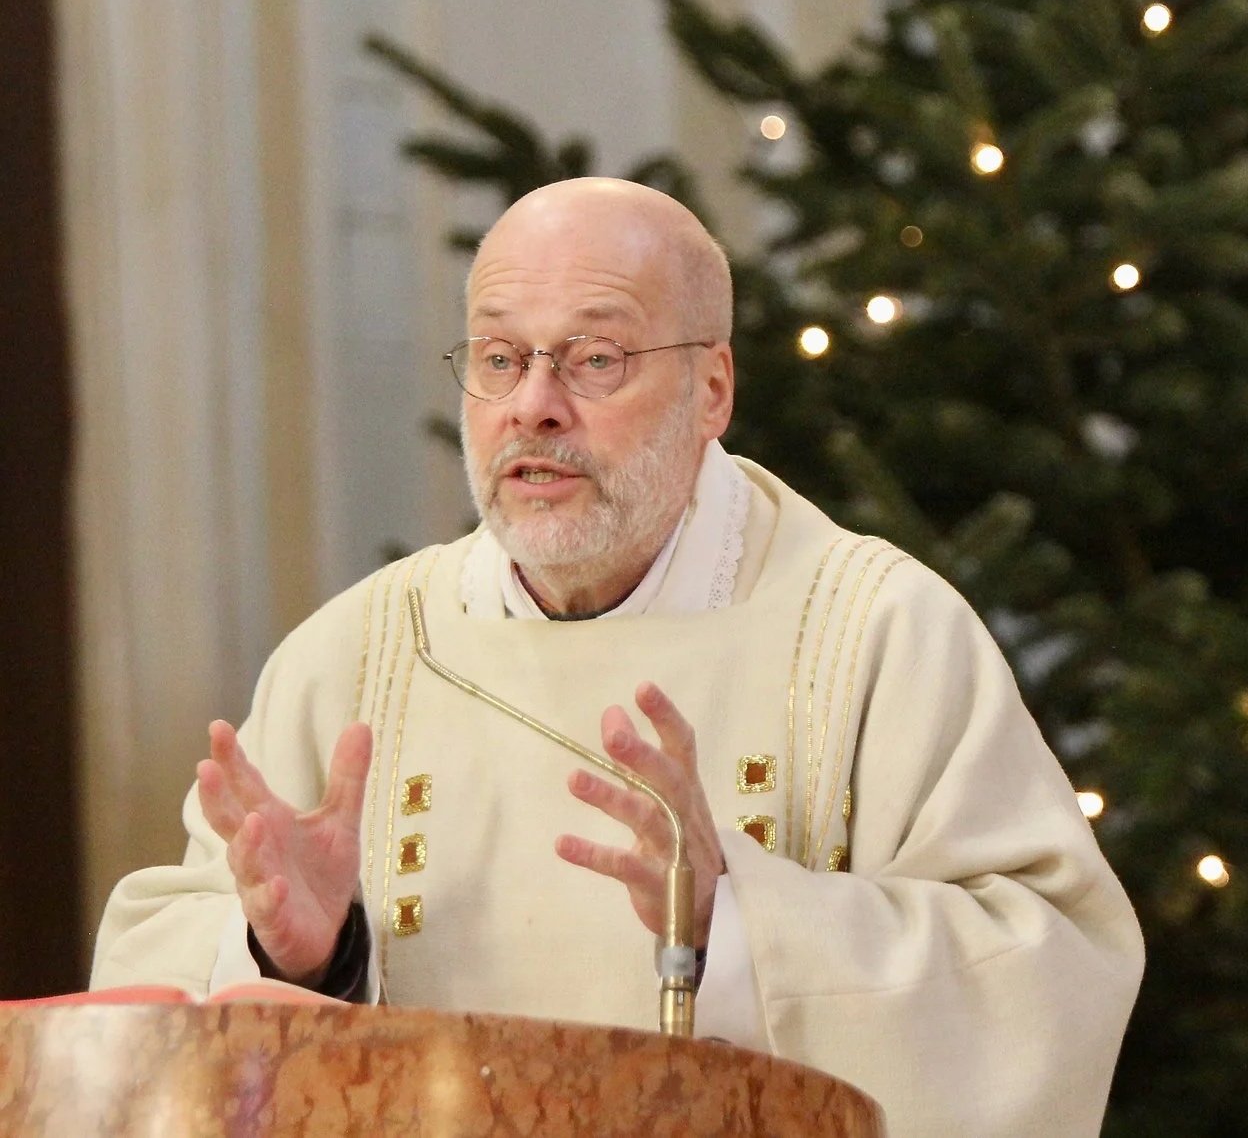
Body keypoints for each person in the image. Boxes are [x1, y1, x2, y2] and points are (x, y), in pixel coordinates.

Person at [92, 177, 1143, 1138]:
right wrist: (301, 957)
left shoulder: (872, 631)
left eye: (594, 357)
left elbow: (1050, 969)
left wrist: (739, 920)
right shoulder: (352, 659)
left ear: (713, 389)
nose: (532, 404)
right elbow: (142, 1005)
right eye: (500, 357)